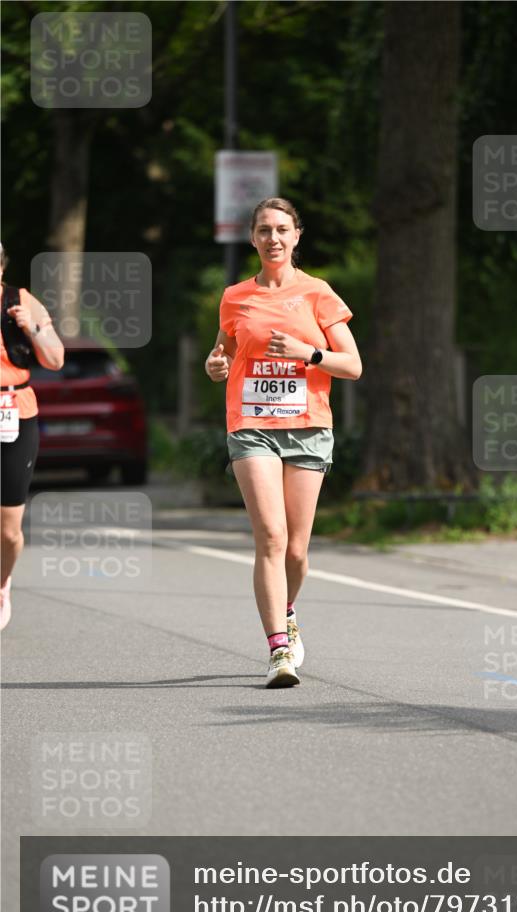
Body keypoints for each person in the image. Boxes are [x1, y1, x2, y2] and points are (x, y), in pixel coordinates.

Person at [205, 198, 362, 688]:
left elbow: (352, 365)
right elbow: (224, 351)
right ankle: (278, 651)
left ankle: (287, 611)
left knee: (296, 550)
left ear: (296, 237)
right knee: (270, 536)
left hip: (309, 427)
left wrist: (308, 352)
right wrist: (216, 365)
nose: (273, 238)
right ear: (252, 239)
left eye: (282, 230)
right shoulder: (235, 297)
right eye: (264, 230)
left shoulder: (317, 294)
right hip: (250, 425)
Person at [0, 243, 65, 629]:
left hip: (15, 413)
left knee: (9, 531)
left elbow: (55, 359)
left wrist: (32, 326)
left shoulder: (21, 301)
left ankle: (2, 582)